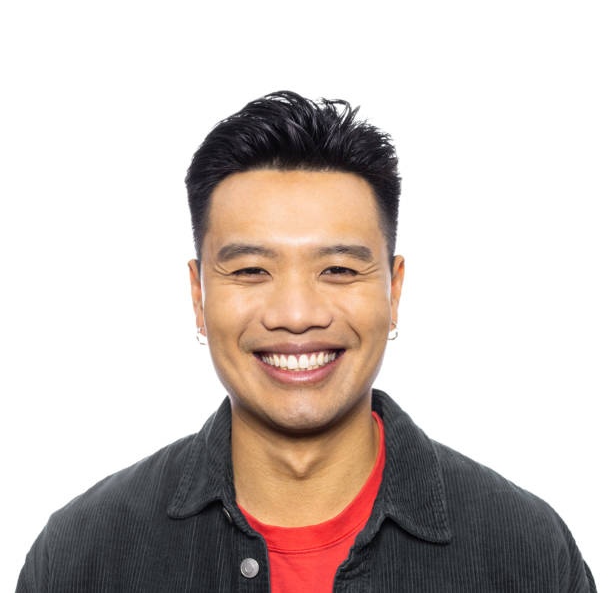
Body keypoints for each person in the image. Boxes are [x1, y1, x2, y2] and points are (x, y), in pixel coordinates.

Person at [17, 91, 596, 592]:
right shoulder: (83, 555)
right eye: (251, 271)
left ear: (393, 290)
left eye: (338, 270)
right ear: (199, 295)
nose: (296, 316)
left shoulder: (527, 552)